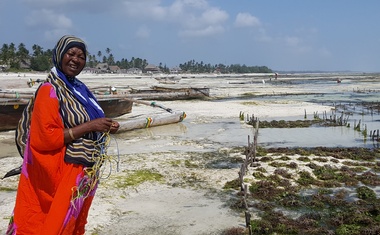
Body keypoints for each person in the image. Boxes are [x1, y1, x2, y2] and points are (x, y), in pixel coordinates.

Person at [7, 35, 120, 234]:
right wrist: (91, 126)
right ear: (60, 55)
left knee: (72, 222)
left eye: (81, 56)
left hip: (85, 170)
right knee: (55, 223)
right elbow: (46, 138)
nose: (76, 59)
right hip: (63, 171)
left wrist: (105, 125)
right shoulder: (49, 90)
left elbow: (86, 118)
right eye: (71, 53)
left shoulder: (79, 88)